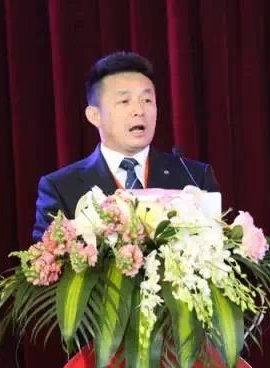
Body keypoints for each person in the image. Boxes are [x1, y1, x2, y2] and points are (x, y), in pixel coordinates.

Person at [32, 52, 219, 240]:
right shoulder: (61, 188)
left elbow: (219, 247)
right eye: (124, 101)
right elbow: (48, 255)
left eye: (147, 100)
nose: (139, 111)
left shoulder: (194, 177)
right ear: (94, 116)